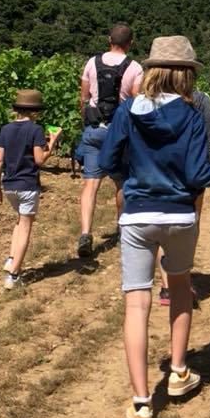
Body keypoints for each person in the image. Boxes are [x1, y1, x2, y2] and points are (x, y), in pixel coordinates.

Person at [98, 36, 210, 418]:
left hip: (136, 218)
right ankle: (180, 371)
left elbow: (106, 160)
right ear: (186, 75)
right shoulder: (191, 114)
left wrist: (130, 182)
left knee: (137, 304)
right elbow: (198, 175)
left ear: (151, 70)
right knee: (180, 287)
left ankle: (141, 404)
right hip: (180, 216)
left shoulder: (126, 111)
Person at [76, 23, 143, 257]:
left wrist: (87, 121)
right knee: (121, 182)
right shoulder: (135, 67)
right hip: (119, 132)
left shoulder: (91, 63)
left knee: (90, 184)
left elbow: (83, 98)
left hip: (94, 128)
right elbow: (135, 101)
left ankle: (85, 232)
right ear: (130, 43)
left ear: (108, 40)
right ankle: (123, 228)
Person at [157, 87, 210, 307]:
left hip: (159, 170)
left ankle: (168, 286)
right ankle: (181, 279)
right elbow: (209, 140)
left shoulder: (150, 98)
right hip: (193, 172)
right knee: (191, 221)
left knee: (161, 223)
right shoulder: (201, 99)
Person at [0, 90, 61, 290]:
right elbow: (39, 160)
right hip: (28, 185)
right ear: (36, 111)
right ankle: (14, 276)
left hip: (9, 186)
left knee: (19, 221)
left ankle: (11, 258)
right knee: (25, 228)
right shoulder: (35, 130)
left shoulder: (5, 129)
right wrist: (53, 141)